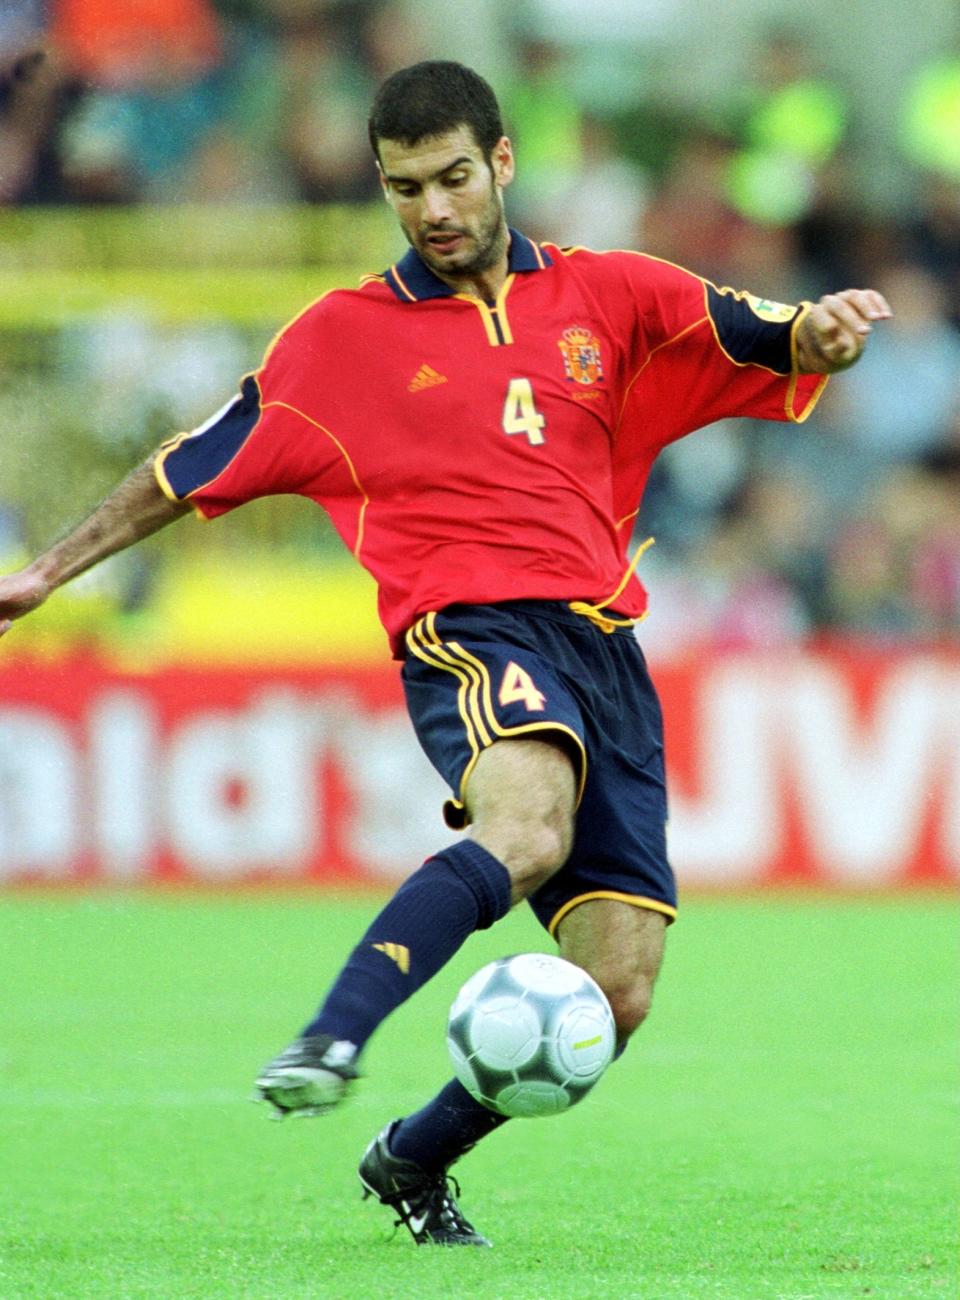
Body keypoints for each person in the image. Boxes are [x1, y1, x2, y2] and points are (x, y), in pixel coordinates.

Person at [0, 61, 891, 1248]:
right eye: (404, 187)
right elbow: (188, 462)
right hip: (465, 629)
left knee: (615, 995)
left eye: (453, 177)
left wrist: (828, 335)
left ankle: (412, 1158)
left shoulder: (614, 295)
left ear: (503, 163)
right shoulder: (340, 341)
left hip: (603, 646)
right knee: (525, 825)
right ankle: (334, 1030)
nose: (433, 208)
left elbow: (771, 335)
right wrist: (51, 570)